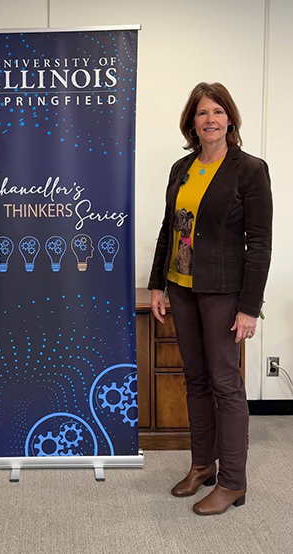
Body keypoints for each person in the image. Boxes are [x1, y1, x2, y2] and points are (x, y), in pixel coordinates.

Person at [148, 82, 272, 516]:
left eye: (217, 112)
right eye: (202, 113)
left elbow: (259, 242)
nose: (210, 120)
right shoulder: (182, 168)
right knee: (195, 380)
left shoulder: (249, 169)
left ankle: (234, 483)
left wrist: (248, 306)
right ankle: (203, 465)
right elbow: (170, 229)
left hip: (223, 294)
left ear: (230, 119)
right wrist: (158, 285)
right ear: (192, 123)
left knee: (226, 385)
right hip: (181, 287)